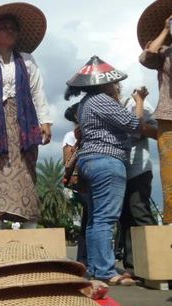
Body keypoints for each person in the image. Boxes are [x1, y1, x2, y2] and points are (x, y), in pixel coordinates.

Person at [0, 3, 52, 230]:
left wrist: (45, 121)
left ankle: (28, 218)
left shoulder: (26, 60)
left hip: (24, 120)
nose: (10, 31)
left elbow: (37, 91)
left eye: (13, 27)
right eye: (4, 27)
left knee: (24, 165)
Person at [65, 55, 148, 285]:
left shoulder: (84, 104)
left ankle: (95, 267)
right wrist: (139, 100)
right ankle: (105, 271)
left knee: (95, 219)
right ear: (104, 82)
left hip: (90, 162)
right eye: (113, 82)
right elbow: (135, 125)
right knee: (105, 218)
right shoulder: (101, 99)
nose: (116, 86)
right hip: (107, 159)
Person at [137, 1, 172, 224]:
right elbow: (146, 56)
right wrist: (167, 29)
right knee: (170, 174)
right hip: (168, 117)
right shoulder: (162, 51)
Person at [119, 94, 158, 274]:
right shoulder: (106, 106)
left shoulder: (136, 103)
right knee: (125, 219)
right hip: (119, 172)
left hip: (139, 170)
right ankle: (133, 266)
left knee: (140, 213)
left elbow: (158, 132)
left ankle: (158, 262)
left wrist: (138, 126)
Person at [62, 103, 88, 265]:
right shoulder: (71, 136)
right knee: (89, 218)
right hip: (80, 183)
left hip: (90, 180)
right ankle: (84, 258)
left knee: (90, 218)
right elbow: (67, 162)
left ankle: (85, 258)